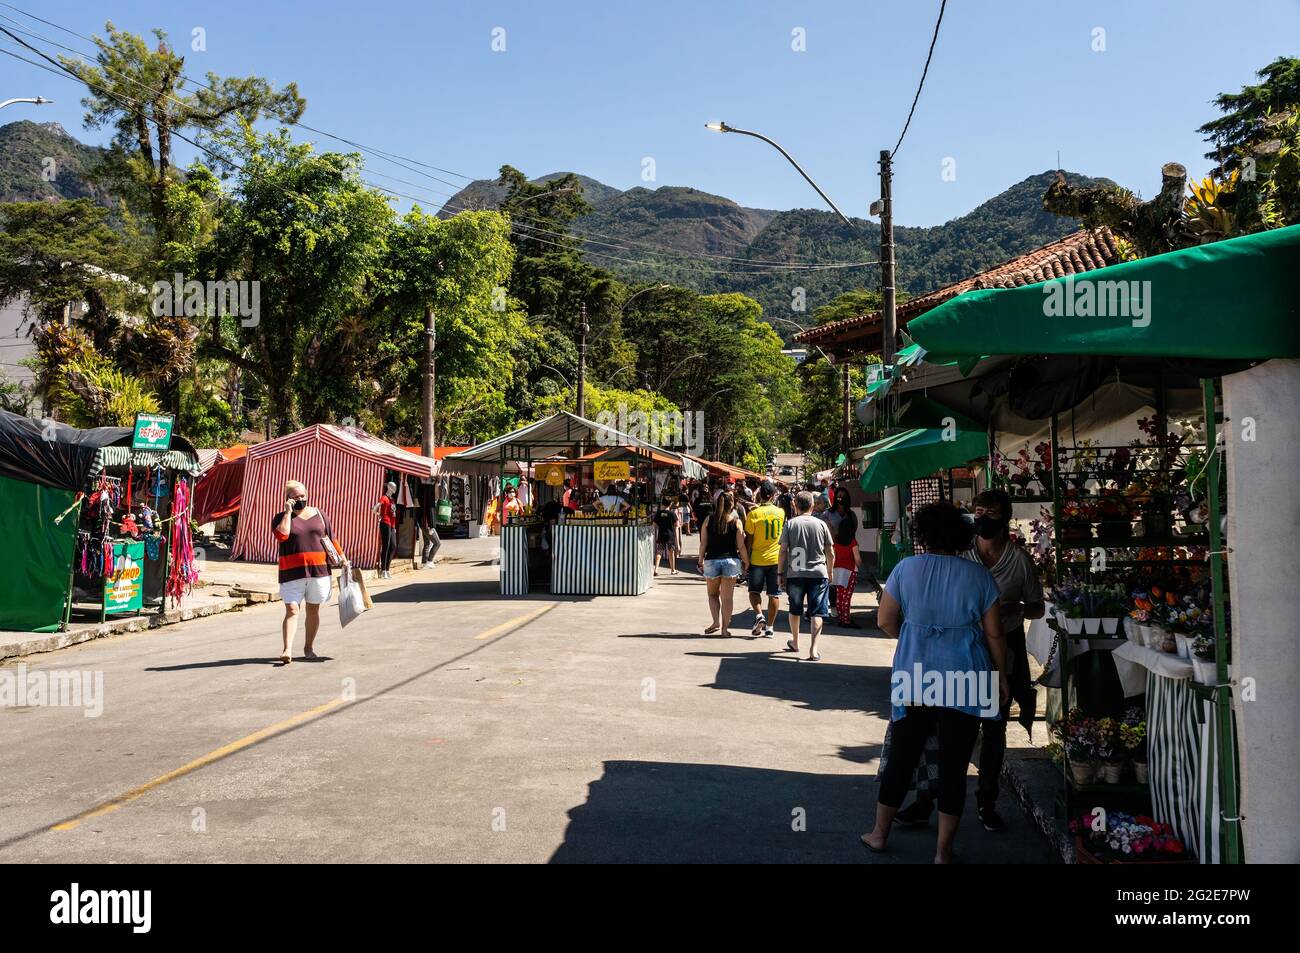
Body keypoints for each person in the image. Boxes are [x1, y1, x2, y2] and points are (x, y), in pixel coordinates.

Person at [861, 501, 1009, 864]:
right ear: (962, 536)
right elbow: (994, 635)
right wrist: (1002, 678)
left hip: (916, 674)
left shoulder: (906, 568)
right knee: (955, 765)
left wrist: (914, 635)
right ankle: (943, 852)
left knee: (903, 754)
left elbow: (884, 620)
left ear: (924, 535)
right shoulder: (979, 577)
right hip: (968, 675)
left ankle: (879, 834)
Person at [892, 489, 1046, 832]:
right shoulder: (963, 554)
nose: (983, 519)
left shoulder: (1019, 561)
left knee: (993, 729)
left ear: (1005, 518)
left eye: (991, 513)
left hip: (1004, 647)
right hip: (959, 653)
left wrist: (1016, 608)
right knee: (937, 731)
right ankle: (925, 800)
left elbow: (1037, 605)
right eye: (978, 512)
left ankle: (986, 801)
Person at [273, 480, 343, 665]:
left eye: (302, 495)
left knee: (313, 610)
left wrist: (343, 558)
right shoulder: (280, 517)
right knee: (292, 609)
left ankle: (308, 648)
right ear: (287, 498)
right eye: (295, 496)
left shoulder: (320, 514)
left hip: (318, 571)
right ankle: (287, 650)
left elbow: (331, 538)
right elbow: (282, 535)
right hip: (291, 573)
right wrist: (288, 512)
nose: (300, 499)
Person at [778, 491, 835, 661]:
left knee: (795, 609)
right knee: (817, 612)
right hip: (818, 573)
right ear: (812, 505)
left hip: (795, 573)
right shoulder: (821, 525)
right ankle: (814, 649)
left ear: (795, 505)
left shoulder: (790, 524)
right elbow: (830, 551)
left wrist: (780, 573)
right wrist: (830, 571)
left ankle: (795, 642)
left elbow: (782, 550)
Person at [697, 489, 749, 637]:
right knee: (727, 598)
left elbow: (703, 544)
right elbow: (741, 546)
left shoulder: (708, 520)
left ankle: (715, 621)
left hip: (712, 561)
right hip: (731, 562)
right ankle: (725, 629)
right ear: (732, 505)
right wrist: (747, 562)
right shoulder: (736, 522)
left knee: (713, 594)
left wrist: (700, 560)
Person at [743, 482, 785, 637]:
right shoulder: (780, 513)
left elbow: (749, 539)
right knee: (774, 594)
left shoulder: (754, 514)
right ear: (773, 496)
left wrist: (746, 559)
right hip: (775, 560)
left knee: (754, 591)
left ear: (759, 495)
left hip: (757, 559)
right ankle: (770, 627)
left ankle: (759, 615)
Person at [830, 495, 862, 627]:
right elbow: (858, 559)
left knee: (839, 596)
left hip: (837, 569)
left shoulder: (835, 542)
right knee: (847, 597)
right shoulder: (853, 542)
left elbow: (832, 555)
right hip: (850, 571)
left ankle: (840, 618)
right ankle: (846, 619)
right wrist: (859, 565)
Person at [372, 480, 399, 580]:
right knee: (386, 546)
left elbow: (393, 515)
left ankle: (387, 569)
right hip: (385, 523)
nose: (395, 489)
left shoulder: (392, 500)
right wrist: (376, 512)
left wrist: (394, 527)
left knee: (393, 546)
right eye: (394, 487)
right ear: (389, 488)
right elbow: (377, 506)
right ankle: (383, 571)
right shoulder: (384, 497)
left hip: (391, 525)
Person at [653, 495, 682, 575]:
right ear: (670, 504)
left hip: (661, 534)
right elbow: (676, 526)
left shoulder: (659, 513)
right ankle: (673, 570)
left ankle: (656, 569)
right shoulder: (672, 514)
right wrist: (677, 542)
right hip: (670, 536)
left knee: (659, 552)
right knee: (671, 552)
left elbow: (654, 525)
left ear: (662, 504)